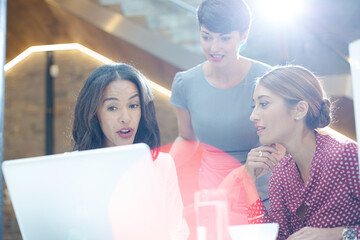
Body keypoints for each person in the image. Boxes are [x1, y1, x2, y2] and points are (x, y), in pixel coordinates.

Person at [221, 65, 360, 240]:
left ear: (300, 110)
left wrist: (339, 234)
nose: (253, 116)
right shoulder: (281, 172)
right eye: (254, 105)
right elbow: (273, 237)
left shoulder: (345, 155)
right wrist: (249, 182)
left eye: (263, 104)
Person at [169, 0, 273, 218]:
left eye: (225, 38)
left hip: (263, 193)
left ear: (243, 35)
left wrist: (242, 175)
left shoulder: (268, 79)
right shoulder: (185, 83)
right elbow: (186, 139)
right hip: (213, 195)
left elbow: (281, 142)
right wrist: (163, 170)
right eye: (206, 37)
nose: (213, 48)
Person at [72, 63, 189, 240]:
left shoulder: (162, 165)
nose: (126, 118)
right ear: (94, 113)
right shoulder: (75, 168)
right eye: (112, 108)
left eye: (133, 105)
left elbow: (178, 231)